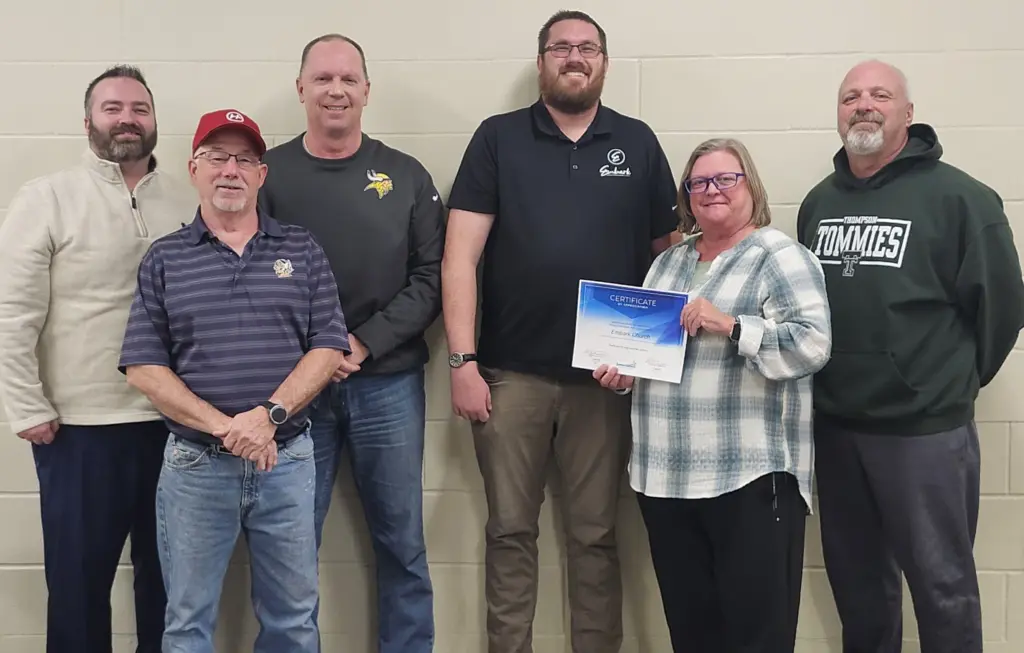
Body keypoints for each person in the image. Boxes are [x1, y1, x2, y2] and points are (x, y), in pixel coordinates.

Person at [441, 10, 680, 652]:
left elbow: (670, 260)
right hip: (509, 376)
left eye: (587, 48)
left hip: (605, 382)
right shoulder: (498, 139)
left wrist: (649, 357)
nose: (575, 57)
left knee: (596, 537)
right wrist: (462, 361)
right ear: (542, 60)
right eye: (561, 47)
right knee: (509, 532)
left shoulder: (637, 141)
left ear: (604, 62)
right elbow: (459, 256)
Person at [797, 59, 1024, 653]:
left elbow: (1002, 309)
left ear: (908, 113)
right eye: (851, 96)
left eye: (880, 95)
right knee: (859, 593)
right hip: (837, 428)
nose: (864, 105)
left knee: (943, 590)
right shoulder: (819, 203)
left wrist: (942, 382)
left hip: (923, 433)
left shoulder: (961, 198)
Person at [118, 108, 351, 653]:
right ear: (194, 169)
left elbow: (328, 347)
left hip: (286, 462)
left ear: (261, 175)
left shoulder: (301, 248)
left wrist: (267, 417)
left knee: (294, 621)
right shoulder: (165, 259)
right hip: (196, 466)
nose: (231, 170)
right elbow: (144, 367)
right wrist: (229, 428)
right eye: (217, 157)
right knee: (187, 623)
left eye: (245, 160)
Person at [594, 137, 831, 652]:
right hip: (665, 477)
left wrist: (733, 326)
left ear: (751, 186)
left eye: (726, 178)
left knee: (757, 637)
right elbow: (652, 353)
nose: (711, 190)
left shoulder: (779, 256)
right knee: (692, 635)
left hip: (749, 478)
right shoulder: (668, 263)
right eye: (698, 182)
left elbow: (813, 346)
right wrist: (627, 375)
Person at [257, 33, 445, 652]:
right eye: (322, 78)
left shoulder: (406, 175)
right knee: (289, 547)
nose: (335, 90)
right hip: (292, 393)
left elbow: (430, 278)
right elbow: (246, 276)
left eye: (347, 79)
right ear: (300, 89)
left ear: (367, 90)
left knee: (402, 544)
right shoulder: (267, 176)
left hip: (387, 383)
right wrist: (313, 357)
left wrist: (359, 344)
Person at [0, 64, 194, 653]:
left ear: (155, 121)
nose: (127, 119)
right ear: (88, 121)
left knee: (170, 589)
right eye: (112, 108)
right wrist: (26, 405)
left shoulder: (189, 200)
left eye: (139, 108)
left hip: (175, 425)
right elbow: (12, 314)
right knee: (78, 588)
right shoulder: (46, 198)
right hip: (79, 430)